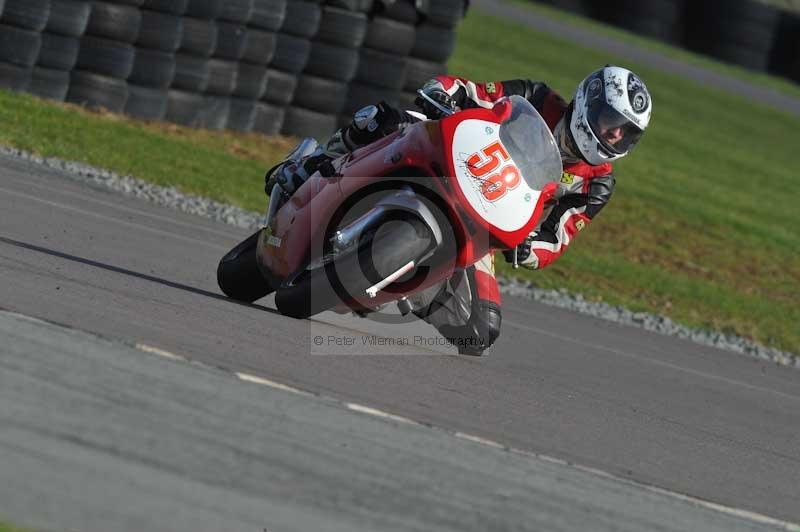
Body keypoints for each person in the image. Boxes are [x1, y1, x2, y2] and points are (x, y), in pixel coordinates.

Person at [267, 65, 652, 355]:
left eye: (626, 132)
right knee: (382, 119)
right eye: (611, 121)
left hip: (488, 220)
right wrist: (445, 93)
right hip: (453, 158)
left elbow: (560, 236)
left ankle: (406, 281)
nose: (615, 135)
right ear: (588, 100)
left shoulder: (596, 182)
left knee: (480, 332)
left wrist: (531, 248)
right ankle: (309, 165)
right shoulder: (537, 98)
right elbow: (473, 91)